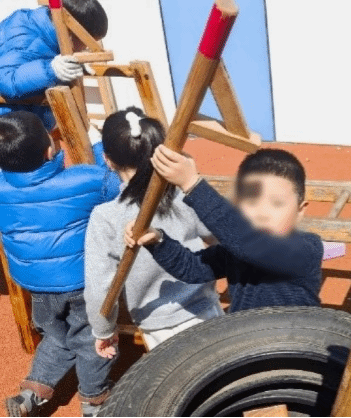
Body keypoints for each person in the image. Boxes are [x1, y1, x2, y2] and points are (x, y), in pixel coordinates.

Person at [0, 111, 120, 418]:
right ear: (49, 150)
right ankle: (94, 399)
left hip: (35, 283)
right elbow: (113, 183)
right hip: (80, 283)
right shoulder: (84, 179)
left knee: (56, 335)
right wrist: (97, 143)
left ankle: (32, 393)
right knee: (91, 337)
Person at [84, 108, 224, 357]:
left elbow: (99, 286)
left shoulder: (105, 216)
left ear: (108, 160)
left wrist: (103, 330)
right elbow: (218, 235)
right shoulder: (183, 193)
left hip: (157, 321)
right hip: (206, 307)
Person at [124, 148, 323, 313]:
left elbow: (249, 244)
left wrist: (193, 185)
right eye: (251, 202)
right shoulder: (235, 249)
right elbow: (193, 268)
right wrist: (158, 241)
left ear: (300, 211)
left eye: (277, 203)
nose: (262, 213)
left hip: (295, 344)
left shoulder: (306, 248)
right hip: (246, 341)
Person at [0, 0, 108, 130]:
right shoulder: (23, 34)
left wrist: (73, 66)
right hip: (9, 127)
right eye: (86, 42)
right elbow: (7, 80)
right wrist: (51, 70)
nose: (85, 48)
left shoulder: (52, 35)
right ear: (71, 30)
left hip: (30, 123)